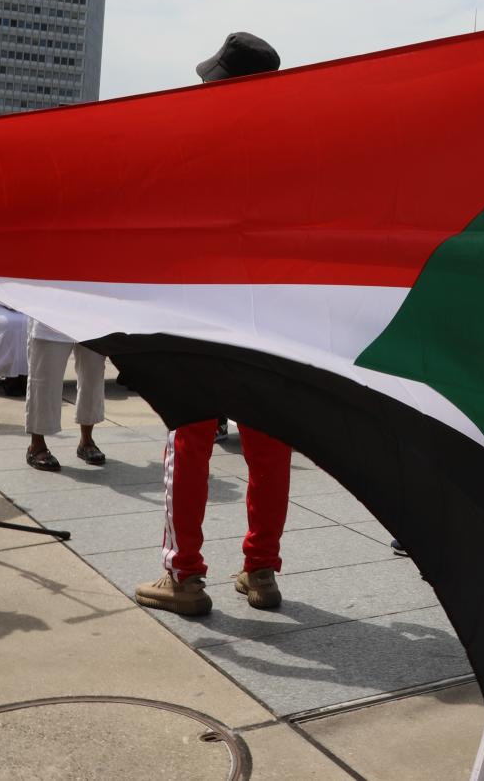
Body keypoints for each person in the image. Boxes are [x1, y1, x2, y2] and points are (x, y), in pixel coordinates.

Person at [136, 32, 293, 616]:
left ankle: (183, 576)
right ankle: (261, 569)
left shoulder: (196, 144)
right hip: (274, 317)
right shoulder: (290, 151)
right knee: (269, 448)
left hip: (202, 310)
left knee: (190, 436)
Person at [23, 318, 107, 471]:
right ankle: (36, 446)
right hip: (51, 311)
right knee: (45, 378)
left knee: (93, 375)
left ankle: (86, 442)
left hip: (92, 312)